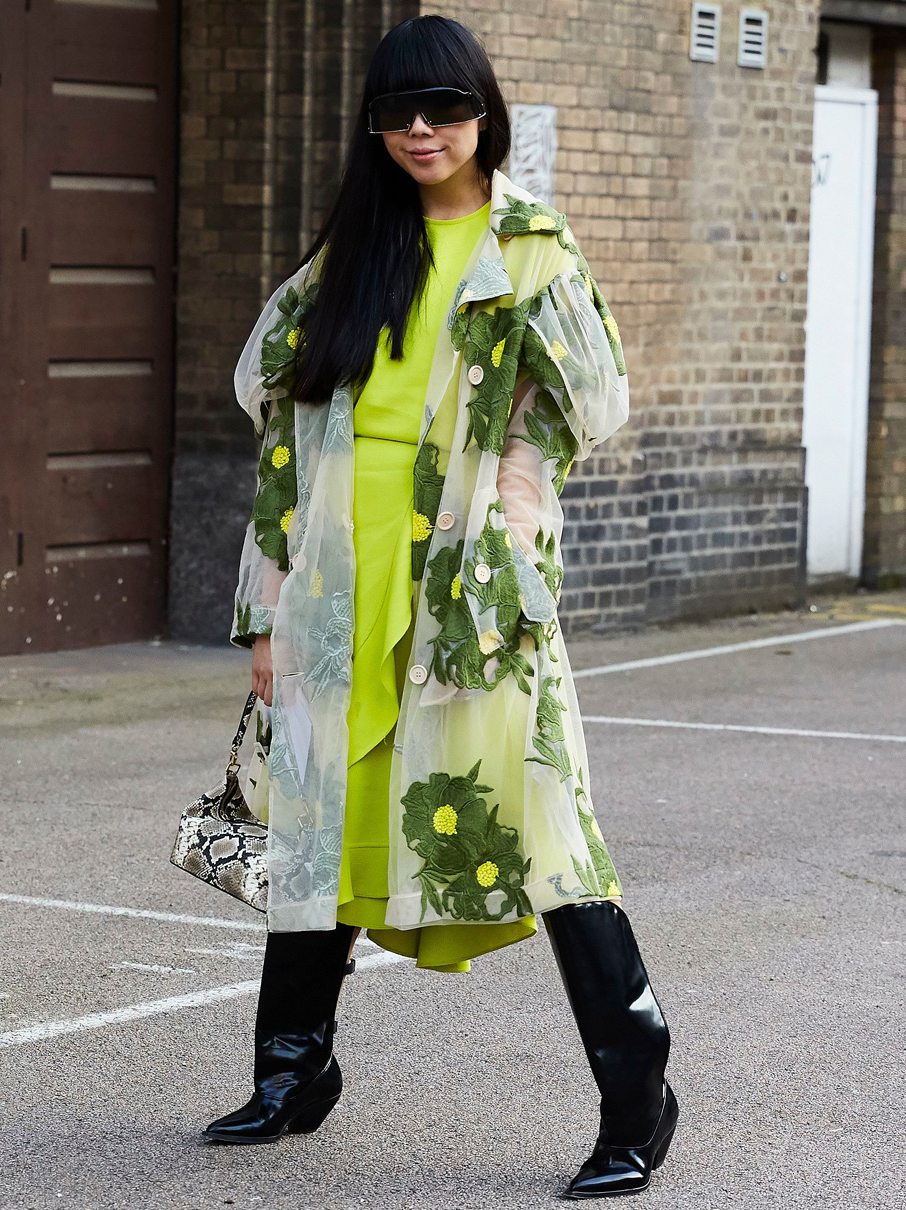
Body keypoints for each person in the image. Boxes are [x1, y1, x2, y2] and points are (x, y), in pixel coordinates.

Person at [203, 14, 679, 1199]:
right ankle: (291, 1070)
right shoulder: (350, 251)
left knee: (547, 828)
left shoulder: (530, 246)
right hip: (336, 577)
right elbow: (277, 419)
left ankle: (638, 1095)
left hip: (471, 584)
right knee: (320, 819)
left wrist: (509, 529)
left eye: (445, 108)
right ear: (372, 125)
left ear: (483, 115)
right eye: (396, 113)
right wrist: (268, 606)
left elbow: (580, 406)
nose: (421, 130)